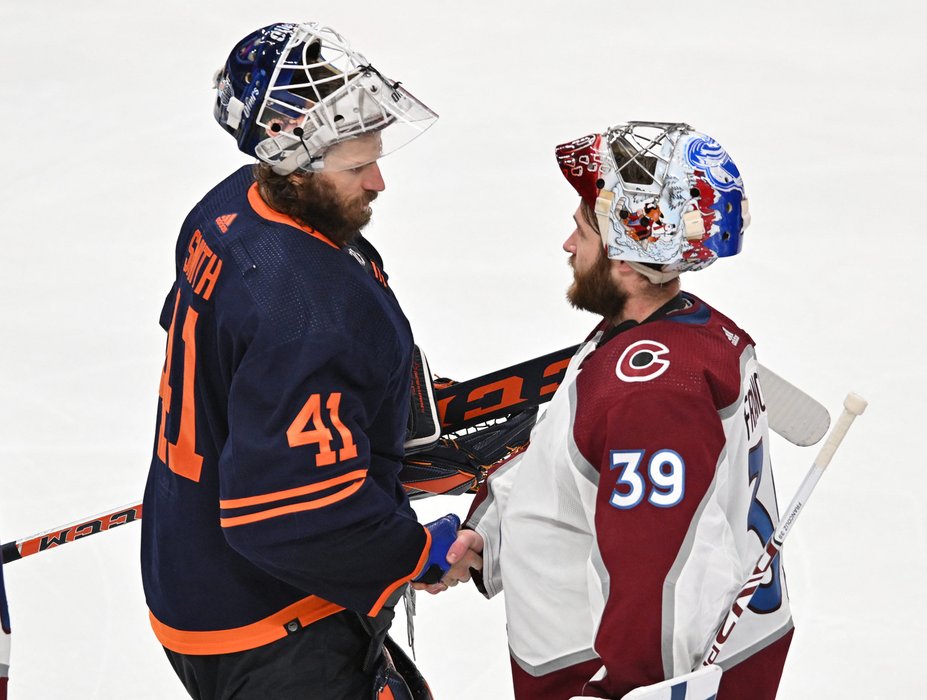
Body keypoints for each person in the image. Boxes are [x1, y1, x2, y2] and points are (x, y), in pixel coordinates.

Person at [140, 22, 458, 700]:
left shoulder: (229, 207)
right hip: (270, 625)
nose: (378, 181)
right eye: (356, 166)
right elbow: (284, 517)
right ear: (291, 155)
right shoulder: (309, 308)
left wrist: (365, 401)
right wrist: (416, 555)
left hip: (191, 574)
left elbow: (221, 354)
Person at [427, 122, 794, 699]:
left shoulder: (651, 392)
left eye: (582, 230)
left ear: (626, 255)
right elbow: (574, 459)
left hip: (610, 679)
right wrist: (489, 535)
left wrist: (631, 690)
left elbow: (665, 575)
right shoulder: (672, 334)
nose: (568, 246)